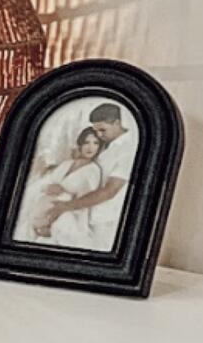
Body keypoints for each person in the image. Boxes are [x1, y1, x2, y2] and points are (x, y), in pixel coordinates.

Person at [36, 101, 138, 250]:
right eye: (97, 131)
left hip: (106, 219)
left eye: (102, 130)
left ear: (117, 123)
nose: (99, 135)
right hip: (86, 214)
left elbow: (110, 190)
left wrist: (66, 206)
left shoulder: (128, 149)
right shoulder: (107, 145)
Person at [21, 125, 103, 246]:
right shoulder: (67, 164)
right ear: (80, 144)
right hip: (45, 206)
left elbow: (85, 201)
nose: (90, 147)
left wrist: (64, 191)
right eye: (86, 142)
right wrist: (49, 188)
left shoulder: (93, 170)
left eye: (95, 143)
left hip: (70, 212)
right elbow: (47, 182)